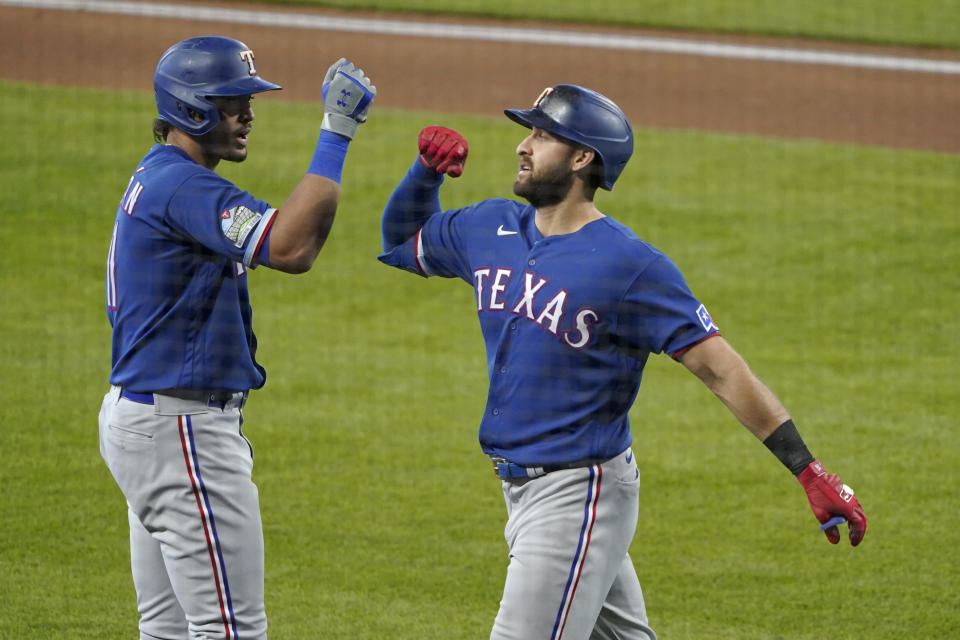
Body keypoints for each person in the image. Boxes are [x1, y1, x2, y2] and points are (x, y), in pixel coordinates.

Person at [377, 84, 867, 640]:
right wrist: (425, 174)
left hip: (578, 494)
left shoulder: (631, 266)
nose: (523, 146)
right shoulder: (489, 228)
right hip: (524, 491)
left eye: (542, 134)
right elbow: (403, 242)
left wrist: (807, 469)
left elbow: (721, 368)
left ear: (583, 157)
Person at [98, 36, 375, 639]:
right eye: (233, 103)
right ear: (193, 110)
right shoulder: (184, 188)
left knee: (168, 630)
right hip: (180, 431)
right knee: (231, 629)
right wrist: (337, 132)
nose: (248, 114)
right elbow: (292, 246)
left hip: (146, 418)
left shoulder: (161, 175)